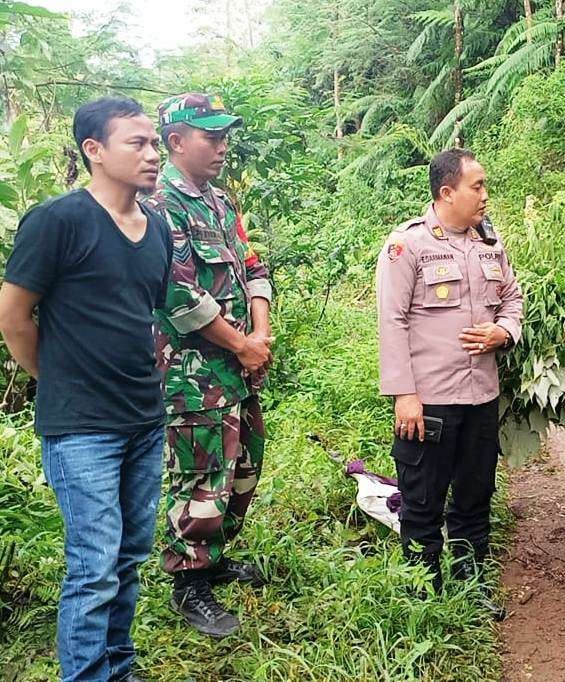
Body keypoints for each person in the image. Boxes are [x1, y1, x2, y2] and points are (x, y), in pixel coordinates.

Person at [0, 97, 170, 682]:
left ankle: (118, 667)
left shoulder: (157, 228)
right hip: (82, 429)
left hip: (145, 419)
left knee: (127, 559)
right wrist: (56, 378)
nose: (153, 154)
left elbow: (144, 313)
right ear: (93, 151)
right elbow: (14, 316)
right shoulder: (58, 221)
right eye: (137, 143)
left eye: (155, 142)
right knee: (93, 567)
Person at [145, 93, 273, 638]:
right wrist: (240, 345)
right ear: (176, 142)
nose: (223, 146)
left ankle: (214, 557)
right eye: (211, 137)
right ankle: (189, 581)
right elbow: (175, 292)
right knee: (201, 474)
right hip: (192, 374)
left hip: (239, 364)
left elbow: (252, 264)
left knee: (245, 463)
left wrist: (259, 336)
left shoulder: (221, 201)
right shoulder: (160, 204)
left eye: (225, 136)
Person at [375, 147, 523, 616]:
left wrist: (505, 331)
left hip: (481, 397)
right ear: (446, 192)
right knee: (423, 500)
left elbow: (513, 300)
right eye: (477, 186)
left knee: (475, 496)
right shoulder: (409, 245)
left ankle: (470, 582)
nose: (485, 196)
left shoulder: (490, 243)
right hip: (430, 400)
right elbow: (392, 320)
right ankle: (423, 591)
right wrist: (404, 394)